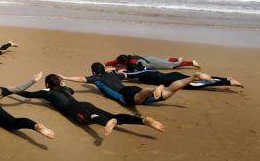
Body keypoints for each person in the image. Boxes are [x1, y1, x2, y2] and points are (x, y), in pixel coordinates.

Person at [17, 73, 164, 137]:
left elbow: (28, 95)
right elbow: (71, 90)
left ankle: (108, 122)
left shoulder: (46, 92)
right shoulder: (66, 89)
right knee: (112, 116)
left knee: (88, 119)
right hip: (84, 104)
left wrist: (14, 92)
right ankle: (143, 121)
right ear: (59, 82)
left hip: (74, 109)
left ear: (48, 84)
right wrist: (64, 83)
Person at [60, 63, 212, 106]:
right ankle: (192, 77)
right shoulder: (113, 74)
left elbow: (82, 79)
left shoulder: (97, 78)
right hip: (132, 88)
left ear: (93, 72)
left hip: (126, 94)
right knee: (168, 93)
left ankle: (152, 90)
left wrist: (65, 77)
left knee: (134, 101)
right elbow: (123, 73)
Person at [122, 63, 243, 90]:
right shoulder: (146, 69)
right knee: (197, 80)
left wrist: (120, 72)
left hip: (170, 79)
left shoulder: (141, 72)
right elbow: (131, 73)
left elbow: (127, 74)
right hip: (172, 76)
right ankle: (226, 79)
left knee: (196, 84)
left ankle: (228, 82)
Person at [105, 54, 200, 71]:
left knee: (170, 66)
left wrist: (114, 68)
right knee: (164, 61)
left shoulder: (131, 64)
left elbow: (122, 68)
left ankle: (191, 62)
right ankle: (176, 58)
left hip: (151, 64)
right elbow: (113, 62)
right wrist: (106, 64)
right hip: (149, 58)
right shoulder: (126, 57)